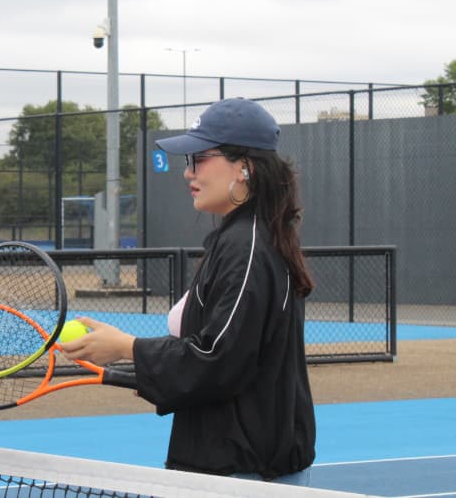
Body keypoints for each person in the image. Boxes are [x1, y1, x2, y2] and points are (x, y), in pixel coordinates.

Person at [61, 98, 316, 483]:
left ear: (244, 167)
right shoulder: (239, 238)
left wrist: (127, 348)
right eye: (188, 161)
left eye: (199, 158)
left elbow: (218, 359)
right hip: (228, 466)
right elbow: (226, 356)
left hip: (244, 475)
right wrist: (145, 369)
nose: (188, 172)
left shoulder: (246, 245)